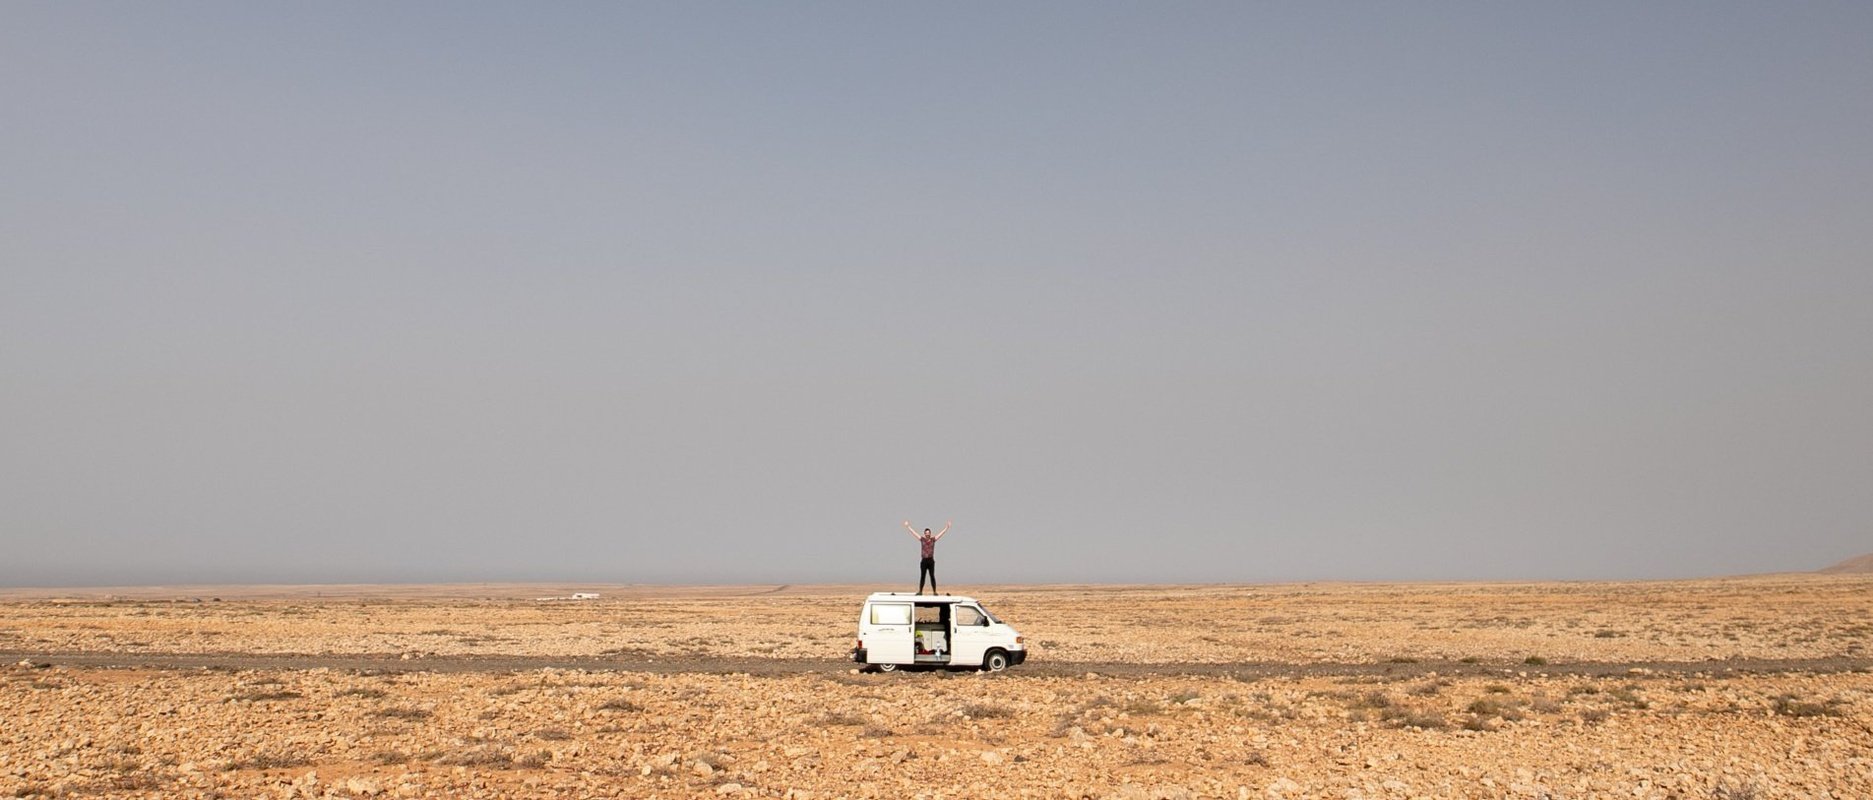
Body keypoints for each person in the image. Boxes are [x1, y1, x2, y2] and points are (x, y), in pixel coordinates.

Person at [902, 519, 950, 595]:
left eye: (928, 533)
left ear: (930, 533)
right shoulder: (922, 539)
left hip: (931, 561)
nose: (927, 534)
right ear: (924, 534)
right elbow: (914, 533)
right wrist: (908, 526)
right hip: (924, 561)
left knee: (932, 576)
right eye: (926, 533)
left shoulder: (933, 540)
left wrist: (947, 528)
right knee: (922, 576)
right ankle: (920, 591)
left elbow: (941, 534)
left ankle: (934, 591)